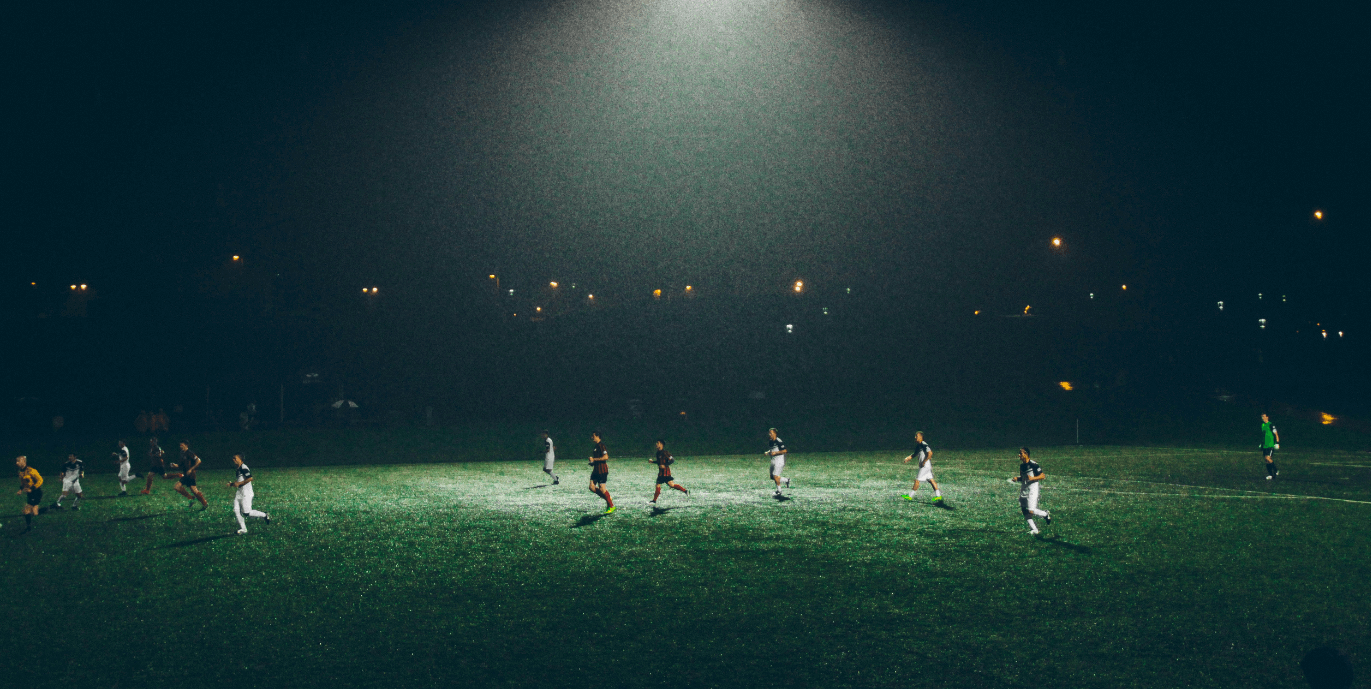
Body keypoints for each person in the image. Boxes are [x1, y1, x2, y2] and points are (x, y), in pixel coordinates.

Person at [1010, 447, 1051, 535]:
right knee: (1024, 509)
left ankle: (1045, 514)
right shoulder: (1022, 466)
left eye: (1020, 453)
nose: (1019, 455)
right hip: (1024, 488)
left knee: (1031, 511)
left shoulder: (1033, 465)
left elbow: (1042, 476)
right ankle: (1034, 529)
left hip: (1033, 488)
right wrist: (1017, 478)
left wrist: (1033, 478)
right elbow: (1024, 478)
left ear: (1026, 454)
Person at [227, 454, 270, 535]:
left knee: (246, 513)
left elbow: (250, 478)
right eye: (233, 458)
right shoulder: (238, 468)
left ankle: (264, 515)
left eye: (235, 458)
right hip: (240, 492)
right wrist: (232, 484)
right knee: (236, 510)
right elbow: (239, 482)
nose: (233, 460)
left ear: (240, 459)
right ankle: (243, 529)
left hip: (246, 493)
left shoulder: (244, 467)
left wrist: (239, 483)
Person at [902, 431, 943, 503]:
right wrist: (908, 458)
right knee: (931, 480)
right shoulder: (919, 445)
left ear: (921, 437)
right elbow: (915, 454)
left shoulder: (924, 444)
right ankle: (938, 496)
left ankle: (910, 496)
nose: (915, 437)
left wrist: (924, 461)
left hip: (925, 466)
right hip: (926, 466)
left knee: (917, 480)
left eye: (916, 436)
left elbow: (930, 453)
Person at [170, 442, 208, 509]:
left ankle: (204, 503)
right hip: (185, 475)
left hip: (191, 475)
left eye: (182, 445)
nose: (181, 446)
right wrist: (175, 465)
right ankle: (191, 498)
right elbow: (181, 465)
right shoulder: (182, 454)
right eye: (180, 445)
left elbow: (199, 461)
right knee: (176, 487)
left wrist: (191, 469)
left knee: (194, 490)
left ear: (186, 445)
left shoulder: (189, 453)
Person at [588, 431, 614, 514]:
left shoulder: (601, 446)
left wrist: (594, 459)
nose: (592, 437)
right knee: (591, 487)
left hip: (602, 470)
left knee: (602, 489)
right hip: (596, 470)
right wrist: (592, 462)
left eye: (593, 436)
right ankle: (608, 498)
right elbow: (598, 459)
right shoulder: (596, 446)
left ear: (597, 436)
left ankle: (611, 505)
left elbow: (606, 457)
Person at [16, 456, 43, 532]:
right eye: (16, 461)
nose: (16, 463)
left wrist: (32, 489)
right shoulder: (20, 472)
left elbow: (40, 480)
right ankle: (53, 506)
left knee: (27, 510)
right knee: (33, 512)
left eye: (18, 461)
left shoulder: (31, 470)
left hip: (36, 492)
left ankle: (28, 528)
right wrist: (20, 490)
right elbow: (23, 482)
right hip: (30, 494)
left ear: (24, 462)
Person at [764, 428, 792, 497]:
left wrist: (775, 453)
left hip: (779, 460)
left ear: (775, 433)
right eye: (769, 433)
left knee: (775, 476)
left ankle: (779, 491)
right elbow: (772, 449)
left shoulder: (778, 441)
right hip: (773, 460)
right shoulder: (770, 441)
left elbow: (785, 451)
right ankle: (786, 480)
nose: (769, 434)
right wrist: (768, 452)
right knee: (772, 476)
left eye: (771, 433)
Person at [1260, 413, 1281, 480]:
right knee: (1266, 460)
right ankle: (1271, 475)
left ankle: (1276, 470)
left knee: (1268, 458)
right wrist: (1261, 443)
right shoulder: (1262, 425)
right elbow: (1263, 435)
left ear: (1267, 417)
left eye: (1264, 416)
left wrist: (1277, 442)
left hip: (1271, 445)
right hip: (1265, 445)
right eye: (1262, 417)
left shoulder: (1271, 424)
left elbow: (1276, 434)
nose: (1262, 418)